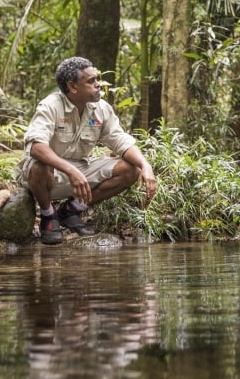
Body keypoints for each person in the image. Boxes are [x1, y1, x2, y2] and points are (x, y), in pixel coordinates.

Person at [18, 56, 157, 244]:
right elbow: (36, 147)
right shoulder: (51, 105)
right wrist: (70, 171)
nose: (98, 84)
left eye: (97, 79)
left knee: (131, 169)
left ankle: (71, 210)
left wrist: (145, 165)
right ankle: (48, 216)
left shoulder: (101, 108)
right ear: (73, 87)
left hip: (82, 170)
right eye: (91, 81)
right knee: (39, 165)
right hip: (48, 176)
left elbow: (120, 140)